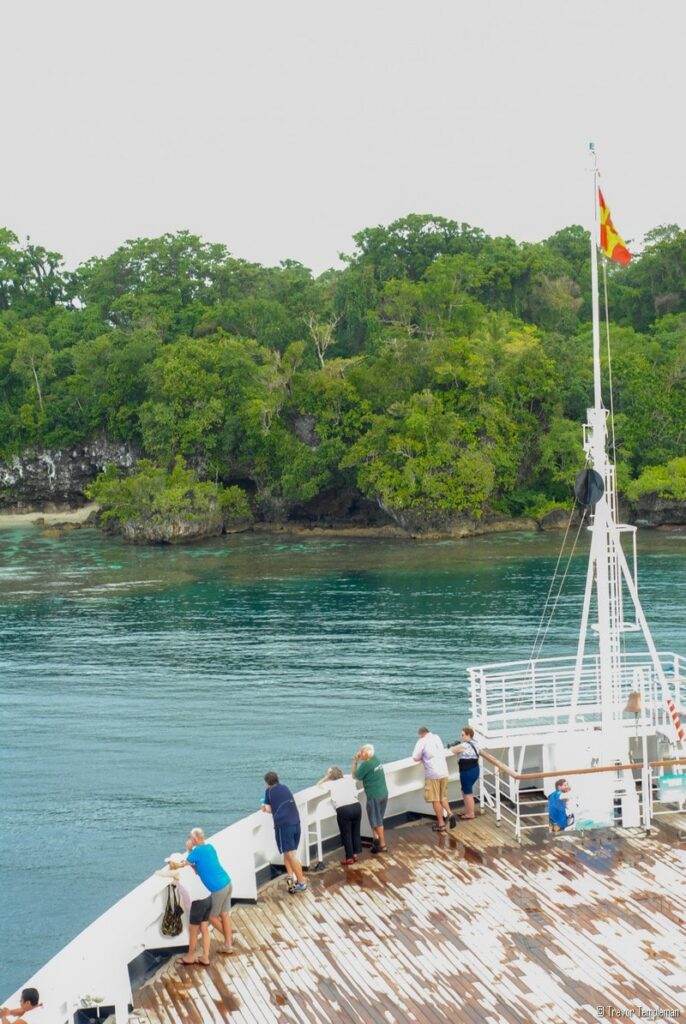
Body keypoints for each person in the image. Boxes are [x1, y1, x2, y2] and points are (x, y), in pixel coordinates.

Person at [169, 829, 234, 953]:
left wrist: (189, 849)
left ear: (194, 839)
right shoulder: (210, 847)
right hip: (227, 882)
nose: (189, 839)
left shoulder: (197, 851)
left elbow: (183, 864)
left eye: (190, 838)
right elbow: (197, 866)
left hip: (218, 888)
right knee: (224, 914)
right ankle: (228, 943)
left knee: (211, 917)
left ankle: (229, 940)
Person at [262, 771, 307, 892]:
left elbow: (269, 809)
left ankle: (302, 883)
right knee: (287, 853)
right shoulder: (285, 787)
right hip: (296, 823)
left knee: (290, 855)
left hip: (284, 826)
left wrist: (264, 808)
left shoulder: (269, 791)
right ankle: (291, 880)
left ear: (267, 783)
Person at [413, 726, 455, 832]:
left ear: (420, 734)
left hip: (433, 774)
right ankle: (450, 813)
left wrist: (423, 756)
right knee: (443, 797)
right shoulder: (437, 737)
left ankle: (441, 824)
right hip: (444, 771)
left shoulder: (422, 741)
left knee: (435, 799)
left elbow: (415, 757)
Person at [318, 766, 362, 865]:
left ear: (331, 776)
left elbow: (318, 785)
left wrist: (326, 777)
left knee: (346, 833)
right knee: (355, 831)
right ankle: (355, 854)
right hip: (356, 806)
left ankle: (349, 857)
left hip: (343, 809)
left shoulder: (331, 784)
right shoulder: (349, 779)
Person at [352, 743, 388, 853]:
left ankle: (382, 845)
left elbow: (355, 775)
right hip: (383, 793)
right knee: (377, 819)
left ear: (366, 753)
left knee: (376, 821)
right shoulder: (376, 759)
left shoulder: (366, 764)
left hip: (374, 796)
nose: (360, 753)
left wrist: (355, 761)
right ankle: (376, 841)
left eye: (361, 752)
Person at [449, 726, 480, 820]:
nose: (461, 737)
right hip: (475, 769)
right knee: (465, 790)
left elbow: (452, 750)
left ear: (468, 735)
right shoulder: (475, 743)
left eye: (463, 735)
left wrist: (453, 746)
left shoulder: (464, 745)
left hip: (467, 771)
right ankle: (468, 811)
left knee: (467, 793)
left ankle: (471, 814)